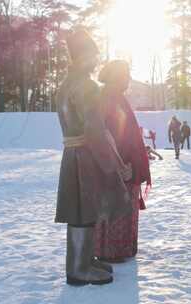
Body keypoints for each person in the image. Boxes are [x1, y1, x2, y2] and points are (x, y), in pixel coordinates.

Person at [55, 29, 132, 286]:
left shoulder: (66, 85)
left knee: (82, 210)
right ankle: (78, 269)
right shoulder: (87, 86)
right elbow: (96, 130)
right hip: (86, 155)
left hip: (72, 153)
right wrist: (113, 165)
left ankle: (84, 260)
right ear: (82, 56)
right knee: (83, 212)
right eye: (93, 53)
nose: (97, 59)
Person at [94, 60, 152, 264]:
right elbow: (110, 132)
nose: (127, 79)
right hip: (120, 164)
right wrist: (121, 163)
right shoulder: (109, 97)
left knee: (121, 204)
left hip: (124, 162)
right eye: (125, 75)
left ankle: (116, 248)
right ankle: (113, 250)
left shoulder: (112, 96)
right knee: (118, 204)